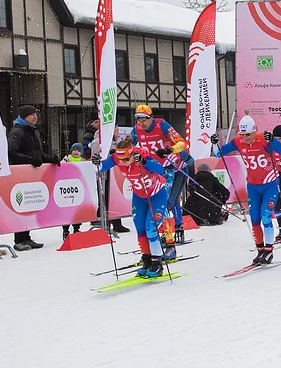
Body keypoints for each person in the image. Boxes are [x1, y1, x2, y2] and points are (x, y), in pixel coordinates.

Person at [213, 116, 281, 266]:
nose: (246, 138)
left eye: (248, 134)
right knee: (254, 220)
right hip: (253, 186)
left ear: (254, 131)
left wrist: (273, 140)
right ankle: (260, 250)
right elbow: (218, 153)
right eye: (243, 134)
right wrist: (215, 144)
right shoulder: (238, 142)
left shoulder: (264, 139)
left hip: (269, 185)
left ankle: (269, 250)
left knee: (266, 216)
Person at [93, 137, 169, 277]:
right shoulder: (118, 158)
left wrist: (144, 162)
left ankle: (157, 263)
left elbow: (160, 169)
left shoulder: (142, 155)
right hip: (139, 198)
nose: (122, 163)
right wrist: (96, 162)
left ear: (133, 155)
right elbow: (102, 166)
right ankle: (147, 260)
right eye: (120, 160)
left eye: (126, 160)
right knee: (140, 229)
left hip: (156, 196)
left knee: (151, 229)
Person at [131, 104, 191, 250]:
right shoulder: (137, 129)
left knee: (165, 204)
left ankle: (170, 242)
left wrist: (169, 149)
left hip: (171, 167)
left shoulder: (161, 125)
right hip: (153, 170)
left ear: (151, 117)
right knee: (153, 205)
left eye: (144, 120)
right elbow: (129, 146)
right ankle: (159, 237)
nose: (141, 123)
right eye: (139, 120)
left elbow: (182, 143)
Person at [7, 105, 58, 251]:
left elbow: (38, 154)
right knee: (21, 205)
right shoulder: (16, 132)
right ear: (24, 117)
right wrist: (30, 161)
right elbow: (12, 152)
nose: (35, 117)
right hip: (20, 175)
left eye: (36, 114)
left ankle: (26, 237)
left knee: (29, 205)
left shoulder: (34, 131)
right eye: (32, 115)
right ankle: (19, 239)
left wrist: (51, 159)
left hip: (32, 175)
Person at [61, 143, 85, 240]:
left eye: (78, 151)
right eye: (74, 150)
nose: (76, 152)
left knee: (78, 211)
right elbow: (61, 167)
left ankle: (76, 228)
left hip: (78, 189)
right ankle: (65, 230)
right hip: (68, 188)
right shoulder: (67, 159)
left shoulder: (83, 161)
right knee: (67, 211)